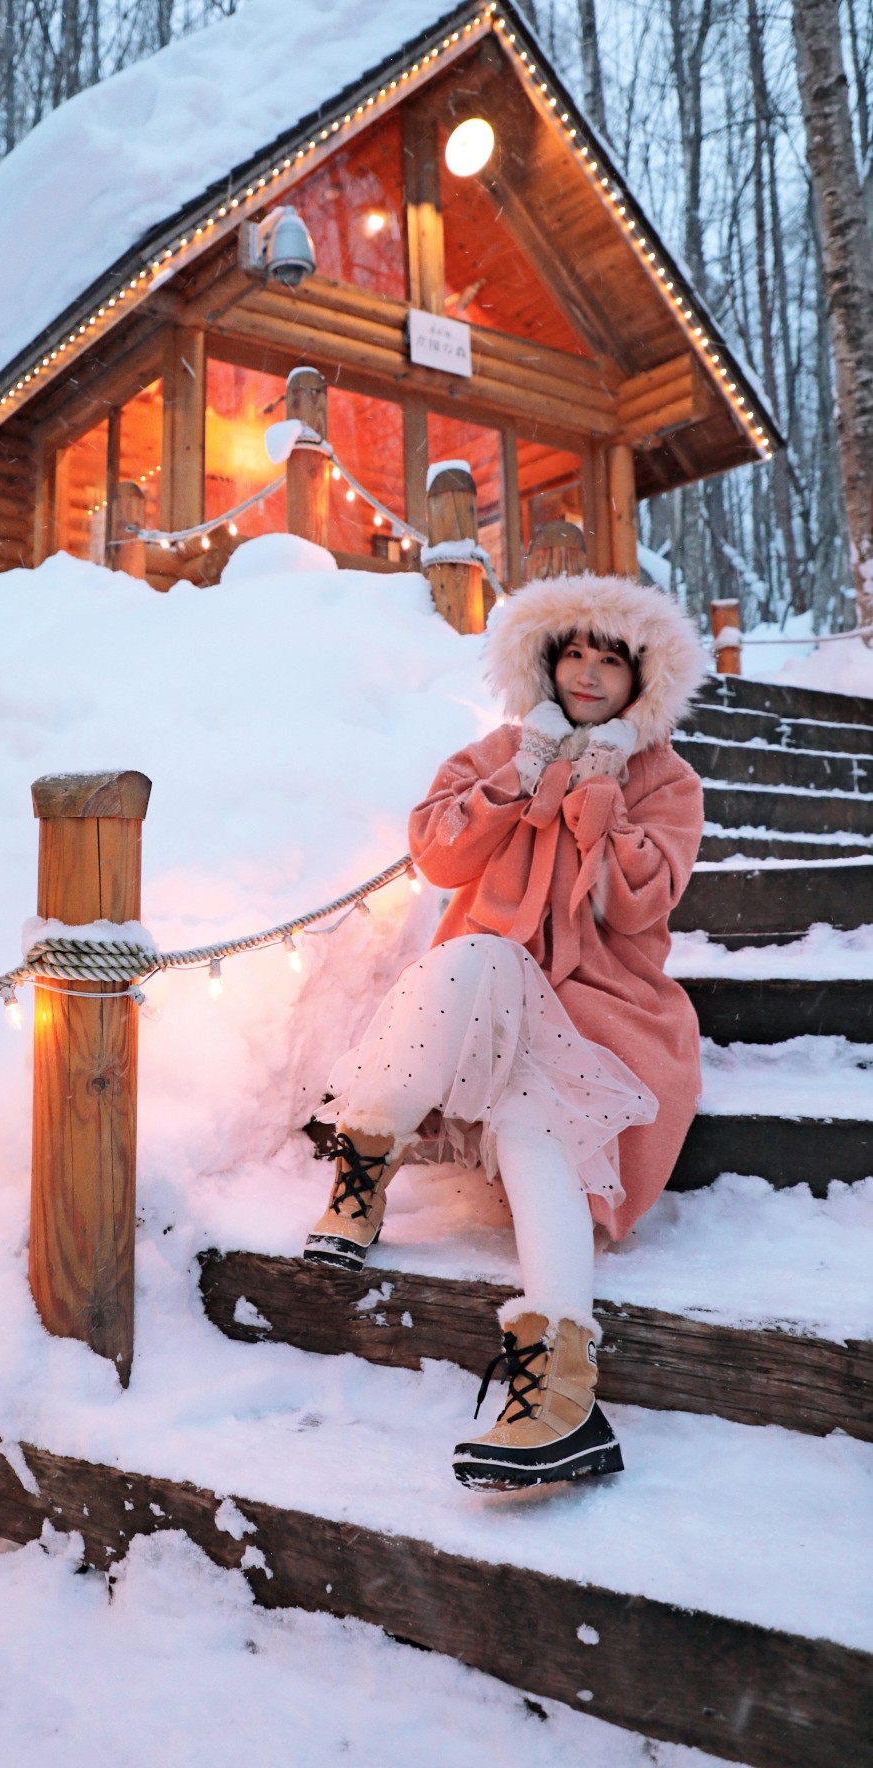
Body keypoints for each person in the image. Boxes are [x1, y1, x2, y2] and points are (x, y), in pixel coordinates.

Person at [303, 573, 706, 1492]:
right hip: (482, 1004)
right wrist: (515, 783)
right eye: (575, 652)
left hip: (604, 1016)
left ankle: (561, 1393)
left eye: (612, 657)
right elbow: (438, 853)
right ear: (545, 660)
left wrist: (602, 822)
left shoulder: (668, 779)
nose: (591, 672)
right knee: (472, 957)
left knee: (538, 1125)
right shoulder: (495, 749)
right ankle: (365, 1164)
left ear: (642, 676)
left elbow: (645, 908)